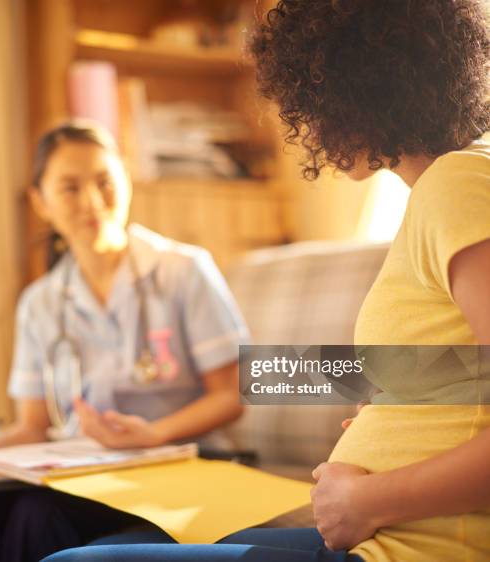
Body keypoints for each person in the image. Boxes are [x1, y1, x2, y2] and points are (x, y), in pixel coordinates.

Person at [41, 1, 490, 561]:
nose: (306, 123)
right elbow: (464, 373)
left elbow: (238, 389)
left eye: (312, 97)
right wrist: (396, 404)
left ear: (358, 88)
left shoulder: (458, 187)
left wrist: (369, 497)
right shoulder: (448, 193)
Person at [0, 121, 250, 562]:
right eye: (69, 188)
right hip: (86, 471)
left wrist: (152, 434)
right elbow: (34, 424)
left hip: (183, 465)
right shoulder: (40, 303)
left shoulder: (184, 271)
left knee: (36, 514)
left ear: (127, 182)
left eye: (105, 182)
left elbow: (233, 394)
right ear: (40, 202)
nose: (92, 202)